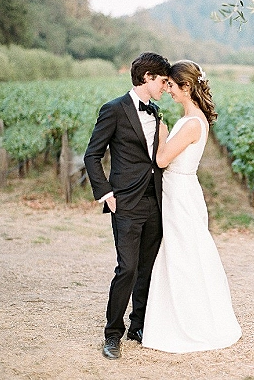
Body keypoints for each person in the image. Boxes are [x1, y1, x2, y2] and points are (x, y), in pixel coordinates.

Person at [142, 60, 242, 353]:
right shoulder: (192, 119)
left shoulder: (191, 123)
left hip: (180, 194)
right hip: (180, 190)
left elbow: (162, 159)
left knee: (183, 255)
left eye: (172, 85)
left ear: (186, 87)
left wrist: (160, 131)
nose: (168, 90)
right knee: (182, 252)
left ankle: (188, 323)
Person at [83, 52, 171, 360]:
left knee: (147, 268)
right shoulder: (114, 109)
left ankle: (138, 326)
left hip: (155, 201)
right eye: (163, 81)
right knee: (127, 268)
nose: (165, 87)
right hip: (126, 203)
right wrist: (106, 193)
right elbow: (92, 155)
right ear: (147, 77)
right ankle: (112, 334)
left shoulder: (156, 111)